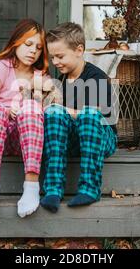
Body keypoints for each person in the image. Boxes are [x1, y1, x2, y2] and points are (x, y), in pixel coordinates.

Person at [40, 22, 118, 213]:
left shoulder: (95, 77)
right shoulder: (63, 79)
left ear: (79, 50)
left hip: (101, 138)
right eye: (52, 57)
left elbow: (98, 114)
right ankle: (53, 189)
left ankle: (89, 188)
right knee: (54, 114)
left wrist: (62, 108)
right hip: (75, 141)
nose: (56, 62)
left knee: (88, 114)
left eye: (60, 56)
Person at [0, 19, 49, 218]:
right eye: (28, 44)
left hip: (25, 141)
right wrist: (8, 112)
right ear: (16, 42)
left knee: (33, 107)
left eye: (39, 47)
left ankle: (31, 187)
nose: (33, 51)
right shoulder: (1, 68)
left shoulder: (40, 76)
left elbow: (46, 111)